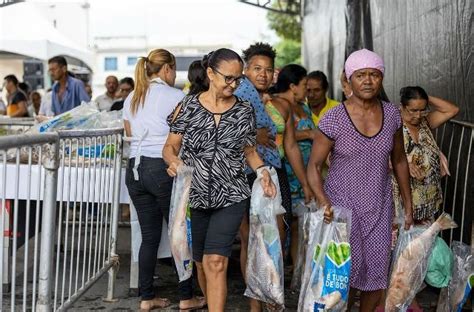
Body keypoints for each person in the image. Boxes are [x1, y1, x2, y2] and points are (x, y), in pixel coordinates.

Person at [163, 48, 277, 311]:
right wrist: (173, 162)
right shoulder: (188, 106)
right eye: (229, 78)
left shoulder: (244, 110)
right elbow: (169, 147)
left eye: (238, 79)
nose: (234, 85)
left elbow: (250, 151)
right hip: (195, 195)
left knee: (216, 261)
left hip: (232, 194)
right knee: (202, 263)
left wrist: (263, 174)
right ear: (211, 74)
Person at [307, 49, 414, 311]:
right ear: (349, 80)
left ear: (381, 78)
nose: (368, 81)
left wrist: (408, 205)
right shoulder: (333, 118)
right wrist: (323, 201)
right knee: (342, 275)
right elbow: (314, 165)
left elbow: (399, 160)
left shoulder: (391, 115)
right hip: (341, 210)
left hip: (379, 206)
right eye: (361, 75)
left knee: (375, 276)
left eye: (374, 75)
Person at [123, 49, 205, 311]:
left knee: (149, 236)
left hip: (134, 170)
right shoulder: (175, 96)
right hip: (162, 168)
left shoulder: (131, 96)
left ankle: (146, 298)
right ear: (168, 69)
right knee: (179, 234)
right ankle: (186, 296)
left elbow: (128, 133)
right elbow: (188, 136)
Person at [272, 64, 317, 275]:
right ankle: (280, 270)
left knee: (301, 222)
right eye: (304, 85)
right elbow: (281, 140)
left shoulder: (303, 107)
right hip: (286, 171)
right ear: (292, 86)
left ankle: (298, 270)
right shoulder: (275, 105)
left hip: (304, 168)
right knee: (284, 222)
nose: (307, 90)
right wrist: (307, 135)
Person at [393, 87, 459, 222]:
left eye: (422, 109)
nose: (418, 115)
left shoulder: (425, 122)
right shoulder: (393, 125)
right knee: (405, 241)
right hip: (403, 202)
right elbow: (376, 156)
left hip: (428, 201)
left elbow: (453, 110)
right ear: (402, 107)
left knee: (425, 241)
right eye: (413, 110)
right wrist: (404, 165)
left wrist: (424, 97)